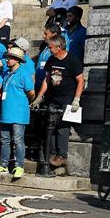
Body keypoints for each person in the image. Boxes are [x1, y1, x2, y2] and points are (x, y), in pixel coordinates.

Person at [32, 34, 84, 173]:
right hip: (53, 99)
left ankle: (62, 156)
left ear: (59, 47)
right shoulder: (51, 59)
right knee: (51, 126)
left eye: (50, 47)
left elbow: (80, 81)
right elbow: (47, 80)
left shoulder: (72, 60)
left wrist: (76, 99)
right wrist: (39, 97)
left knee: (62, 128)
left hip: (67, 100)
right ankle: (52, 155)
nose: (49, 49)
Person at [0, 46, 34, 179]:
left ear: (17, 60)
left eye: (9, 58)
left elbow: (31, 93)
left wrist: (26, 103)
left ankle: (19, 166)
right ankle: (3, 165)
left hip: (19, 113)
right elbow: (1, 95)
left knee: (18, 140)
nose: (7, 60)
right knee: (4, 140)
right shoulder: (7, 75)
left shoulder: (24, 73)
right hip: (5, 113)